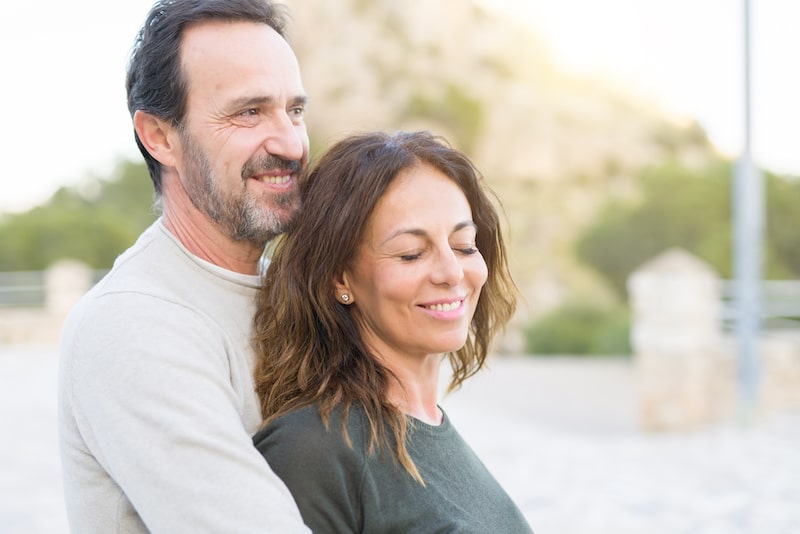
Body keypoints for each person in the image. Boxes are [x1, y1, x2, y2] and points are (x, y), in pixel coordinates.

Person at [57, 0, 311, 532]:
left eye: (295, 110)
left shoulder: (288, 293)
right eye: (249, 111)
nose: (290, 142)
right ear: (160, 137)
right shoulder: (132, 325)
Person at [252, 130, 534, 533]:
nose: (452, 272)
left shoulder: (430, 428)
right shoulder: (313, 449)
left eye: (464, 245)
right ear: (340, 277)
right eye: (411, 254)